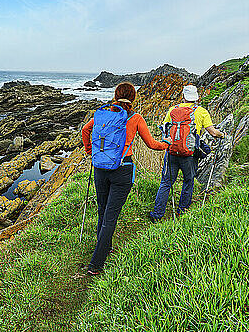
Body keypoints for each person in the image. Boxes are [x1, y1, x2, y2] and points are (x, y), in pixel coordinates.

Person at [82, 82, 168, 275]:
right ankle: (96, 264)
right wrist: (166, 145)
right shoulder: (135, 118)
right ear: (133, 98)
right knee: (111, 217)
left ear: (115, 95)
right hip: (122, 170)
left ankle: (105, 247)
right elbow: (152, 145)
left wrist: (90, 152)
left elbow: (85, 131)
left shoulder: (103, 114)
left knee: (103, 211)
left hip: (100, 168)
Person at [150, 85, 224, 221]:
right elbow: (213, 132)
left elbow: (165, 129)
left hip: (171, 152)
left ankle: (157, 215)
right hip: (189, 155)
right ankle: (182, 213)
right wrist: (222, 134)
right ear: (196, 98)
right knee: (188, 181)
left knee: (166, 183)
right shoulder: (201, 112)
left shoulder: (173, 110)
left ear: (183, 96)